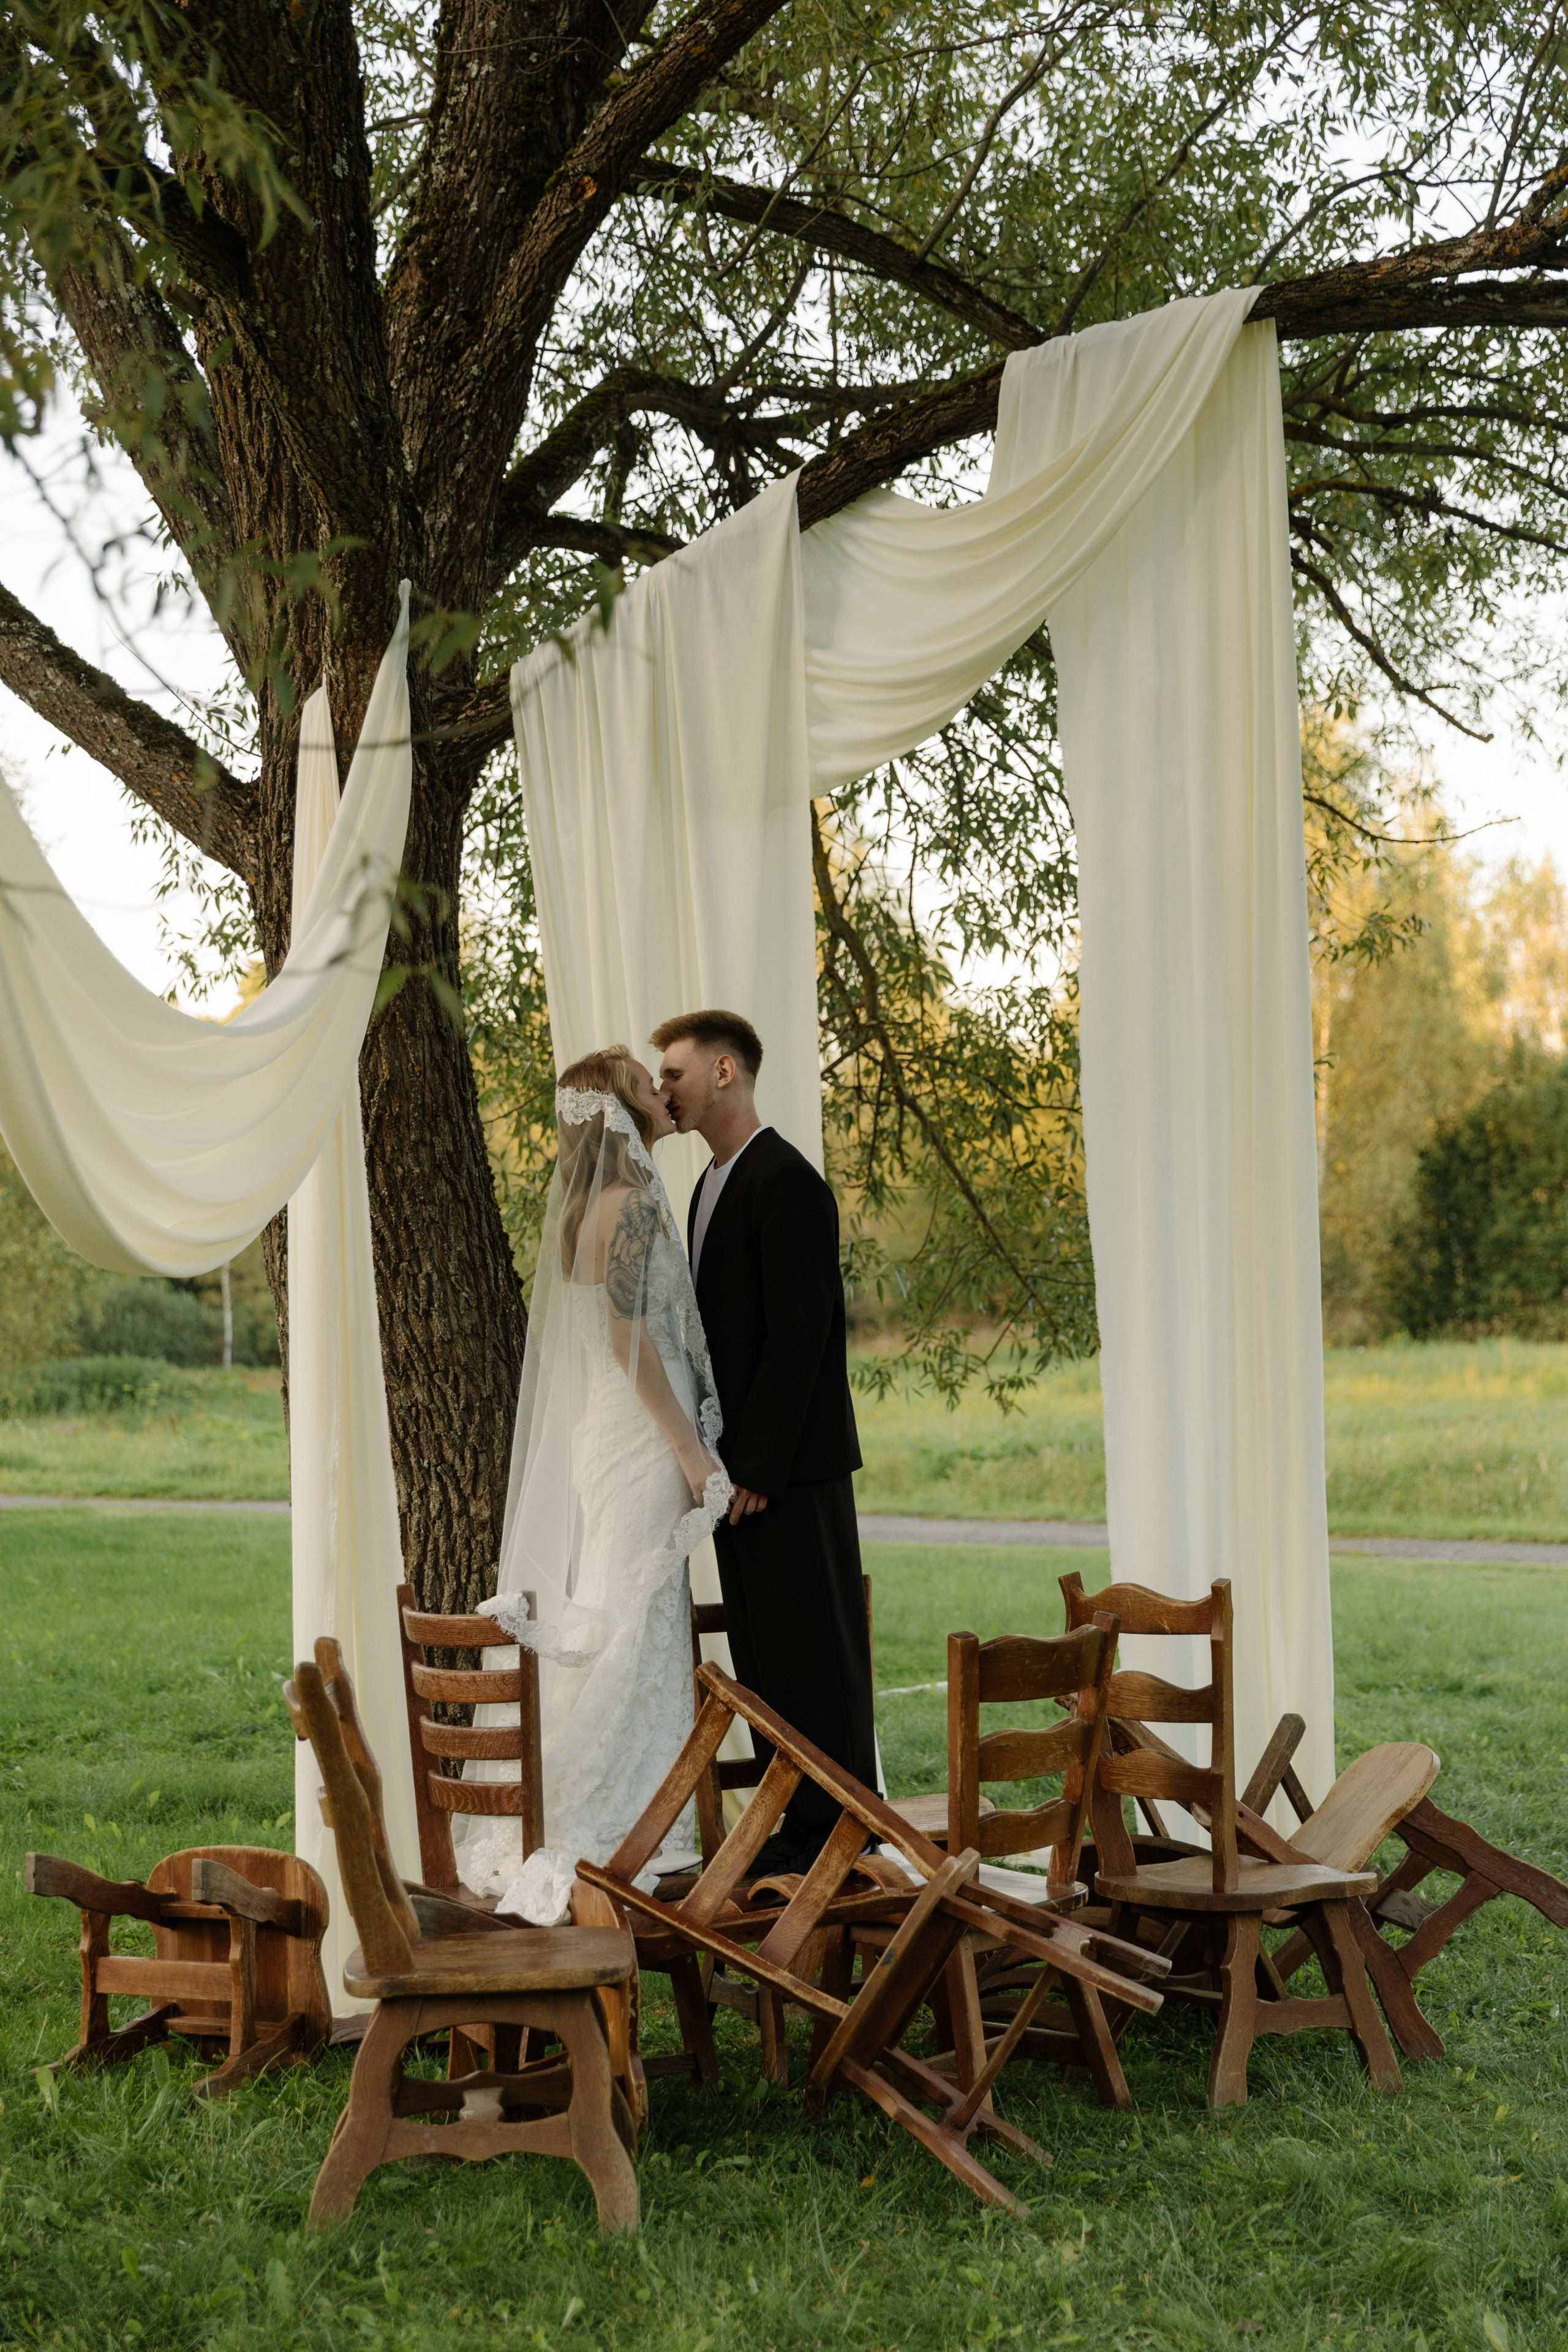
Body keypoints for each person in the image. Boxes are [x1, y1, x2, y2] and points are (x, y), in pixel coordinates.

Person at [456, 1046, 732, 1924]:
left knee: (622, 1608)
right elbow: (627, 1342)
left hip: (602, 1438)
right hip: (645, 1440)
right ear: (621, 1109)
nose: (662, 1089)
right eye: (648, 1084)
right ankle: (622, 1818)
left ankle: (599, 1802)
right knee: (635, 1620)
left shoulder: (582, 1209)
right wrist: (691, 1450)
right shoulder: (636, 1204)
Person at [652, 1008, 878, 1873]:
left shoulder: (786, 1181)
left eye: (674, 1072)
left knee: (813, 1650)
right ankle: (803, 1821)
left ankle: (839, 1829)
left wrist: (756, 1468)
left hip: (792, 1475)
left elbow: (800, 1337)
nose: (663, 1088)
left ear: (723, 1072)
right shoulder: (708, 1186)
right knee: (765, 1657)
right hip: (740, 1477)